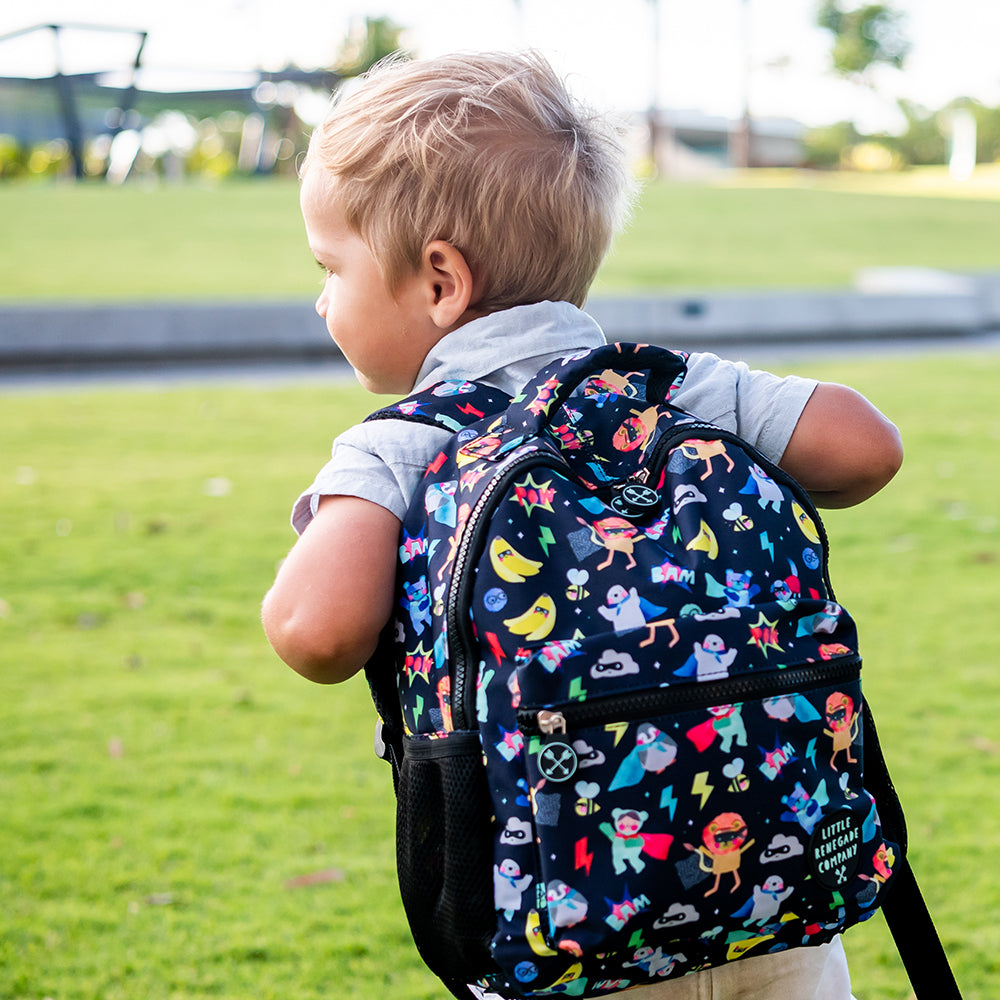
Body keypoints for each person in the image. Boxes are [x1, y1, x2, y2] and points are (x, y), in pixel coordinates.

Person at [262, 49, 902, 1000]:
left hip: (567, 926)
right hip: (780, 892)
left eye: (331, 266)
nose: (323, 297)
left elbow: (315, 634)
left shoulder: (404, 446)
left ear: (440, 279)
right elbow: (868, 449)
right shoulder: (670, 388)